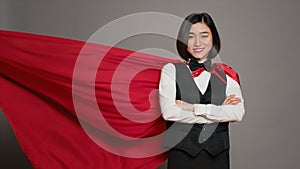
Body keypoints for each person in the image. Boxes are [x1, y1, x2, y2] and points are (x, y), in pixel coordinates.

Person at [159, 12, 245, 169]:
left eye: (204, 35)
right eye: (191, 36)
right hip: (181, 154)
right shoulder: (170, 70)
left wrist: (192, 108)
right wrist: (218, 113)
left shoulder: (227, 73)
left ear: (213, 38)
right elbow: (169, 112)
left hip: (217, 154)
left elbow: (237, 113)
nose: (198, 42)